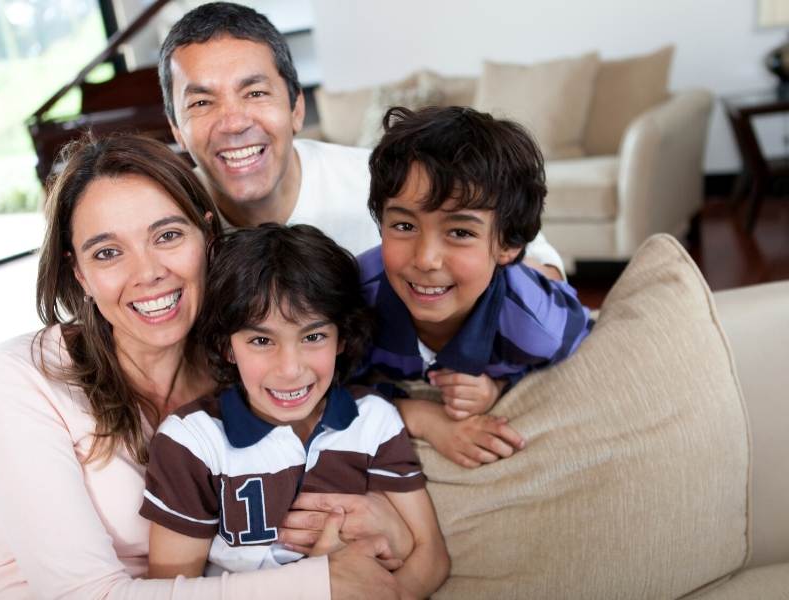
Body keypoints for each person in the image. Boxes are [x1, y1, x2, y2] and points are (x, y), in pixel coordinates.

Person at [0, 134, 407, 599]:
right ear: (79, 273)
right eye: (108, 252)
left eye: (167, 236)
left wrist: (383, 515)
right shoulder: (18, 379)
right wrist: (322, 583)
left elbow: (344, 411)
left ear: (208, 238)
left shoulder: (245, 363)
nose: (147, 272)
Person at [141, 225, 450, 597]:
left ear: (342, 338)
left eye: (313, 336)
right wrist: (318, 582)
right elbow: (170, 592)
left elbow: (430, 555)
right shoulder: (192, 442)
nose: (290, 369)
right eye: (260, 340)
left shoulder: (373, 420)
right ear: (227, 347)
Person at [157, 1, 566, 277]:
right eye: (202, 103)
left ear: (297, 108)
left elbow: (539, 261)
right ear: (176, 128)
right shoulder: (162, 224)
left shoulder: (380, 180)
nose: (233, 122)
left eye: (255, 93)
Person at [359, 106, 593, 469]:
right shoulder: (355, 298)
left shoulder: (537, 326)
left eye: (460, 232)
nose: (426, 259)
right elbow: (318, 392)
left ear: (507, 246)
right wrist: (423, 417)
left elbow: (574, 328)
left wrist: (498, 385)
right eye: (404, 225)